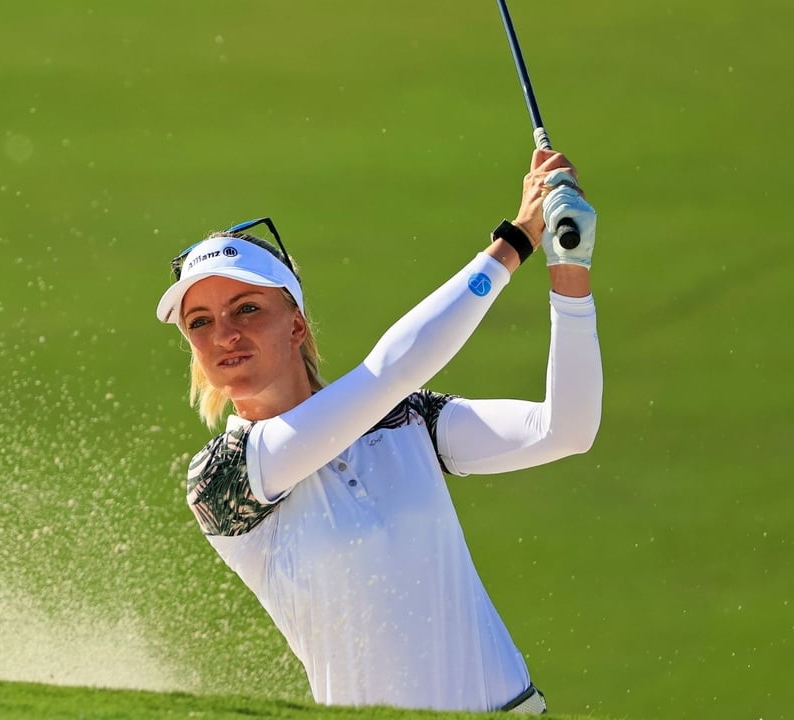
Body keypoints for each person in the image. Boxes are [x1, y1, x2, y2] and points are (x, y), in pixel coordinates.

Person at [154, 149, 601, 714]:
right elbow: (390, 372)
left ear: (296, 324)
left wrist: (569, 267)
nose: (224, 334)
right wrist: (514, 242)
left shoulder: (407, 420)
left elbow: (566, 429)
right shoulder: (223, 478)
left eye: (246, 308)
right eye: (200, 322)